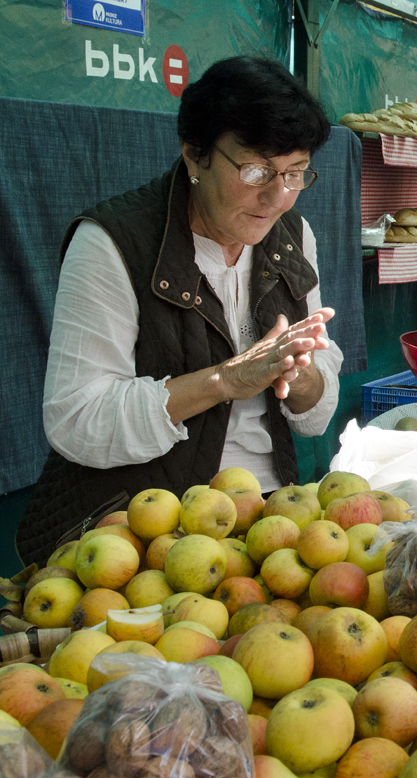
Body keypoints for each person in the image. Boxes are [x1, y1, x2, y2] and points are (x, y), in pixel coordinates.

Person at [16, 56, 342, 566]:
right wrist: (224, 380)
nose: (277, 196)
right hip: (145, 530)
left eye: (295, 173)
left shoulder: (292, 234)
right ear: (194, 154)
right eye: (256, 170)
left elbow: (314, 418)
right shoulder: (112, 242)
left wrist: (302, 377)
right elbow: (77, 418)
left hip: (269, 515)